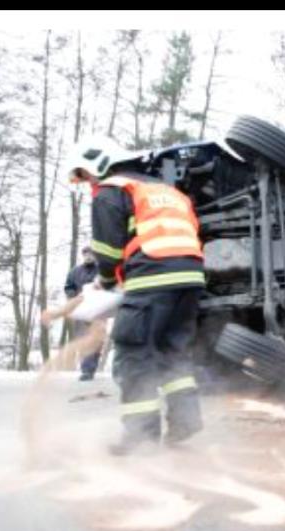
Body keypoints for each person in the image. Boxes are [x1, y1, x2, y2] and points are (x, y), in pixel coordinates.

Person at [66, 135, 206, 455]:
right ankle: (185, 424)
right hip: (190, 278)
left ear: (97, 163)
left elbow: (107, 251)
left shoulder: (112, 190)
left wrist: (105, 281)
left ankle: (141, 438)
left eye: (84, 175)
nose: (87, 182)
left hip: (152, 276)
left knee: (133, 354)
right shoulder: (168, 191)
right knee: (174, 349)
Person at [64, 246, 101, 380]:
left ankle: (91, 367)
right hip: (81, 308)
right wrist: (73, 296)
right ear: (83, 255)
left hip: (99, 309)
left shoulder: (101, 270)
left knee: (96, 339)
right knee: (83, 338)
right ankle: (86, 370)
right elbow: (68, 287)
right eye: (86, 254)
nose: (88, 256)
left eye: (91, 254)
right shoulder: (75, 271)